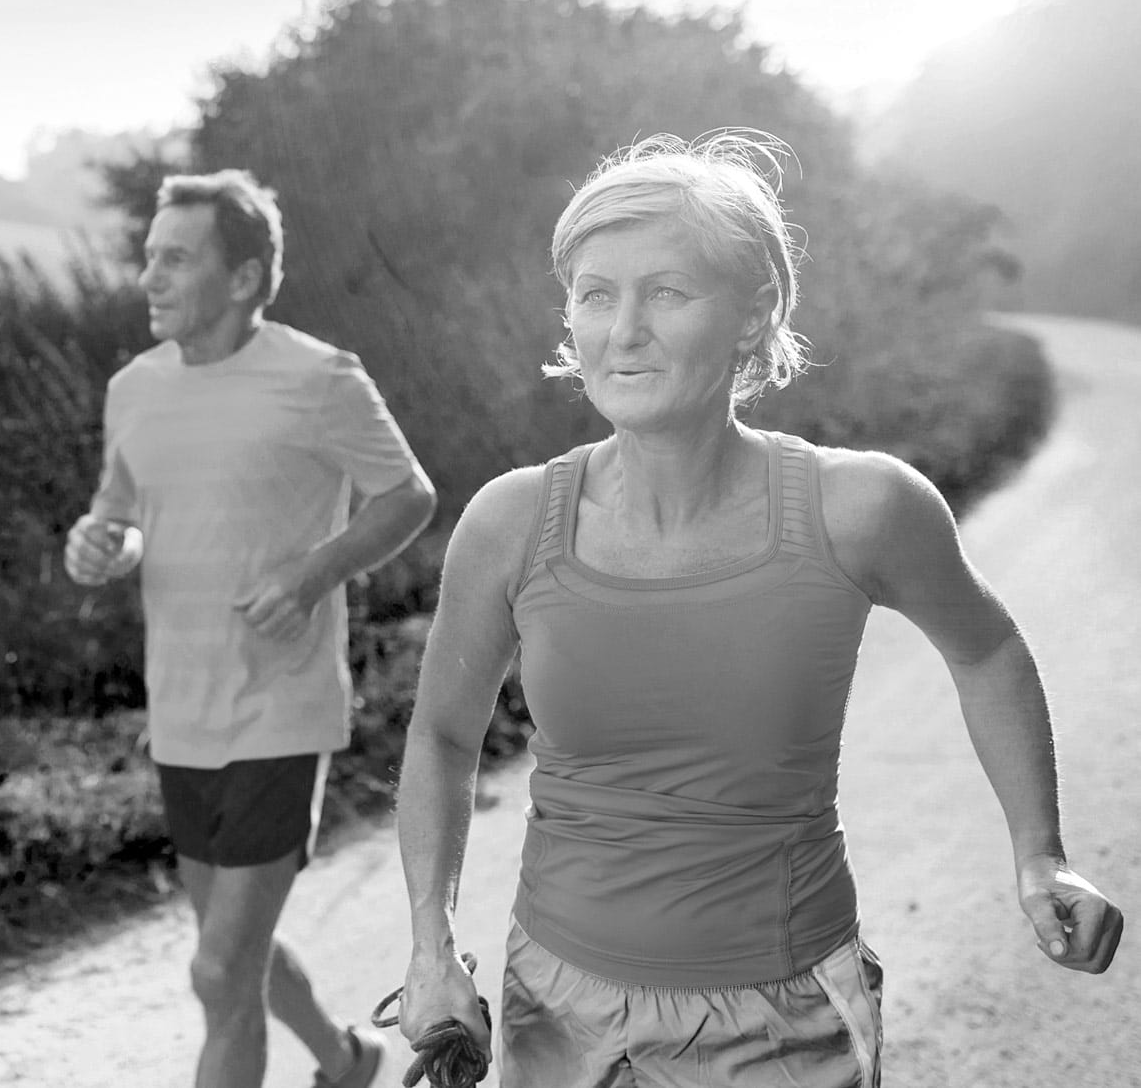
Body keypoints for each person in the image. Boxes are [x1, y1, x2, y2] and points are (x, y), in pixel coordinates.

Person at [394, 131, 1123, 1087]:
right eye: (595, 294)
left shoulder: (861, 508)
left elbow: (987, 652)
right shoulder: (511, 521)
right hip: (554, 1008)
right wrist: (430, 946)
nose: (623, 331)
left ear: (754, 313)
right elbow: (443, 735)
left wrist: (1040, 857)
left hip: (782, 1015)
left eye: (667, 292)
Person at [65, 169, 436, 1088]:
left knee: (219, 968)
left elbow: (407, 495)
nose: (150, 277)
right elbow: (125, 517)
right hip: (181, 710)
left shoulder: (320, 378)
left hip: (281, 708)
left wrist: (312, 575)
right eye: (150, 257)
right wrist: (102, 545)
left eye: (175, 259)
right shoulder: (133, 389)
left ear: (241, 278)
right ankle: (347, 1058)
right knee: (234, 953)